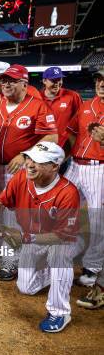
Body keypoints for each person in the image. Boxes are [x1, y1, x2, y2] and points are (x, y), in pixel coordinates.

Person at [0, 142, 82, 333]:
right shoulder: (21, 178)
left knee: (58, 257)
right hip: (34, 238)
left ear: (54, 166)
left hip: (62, 240)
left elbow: (62, 235)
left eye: (39, 161)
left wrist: (25, 238)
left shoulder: (68, 193)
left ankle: (60, 312)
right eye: (29, 158)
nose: (30, 164)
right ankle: (53, 273)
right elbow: (0, 201)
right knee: (26, 287)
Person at [0, 64, 58, 281]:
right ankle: (0, 251)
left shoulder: (37, 106)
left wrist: (26, 155)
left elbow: (52, 138)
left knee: (12, 214)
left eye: (12, 80)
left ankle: (12, 259)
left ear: (24, 83)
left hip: (19, 169)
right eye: (4, 80)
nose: (6, 84)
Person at [65, 69, 103, 287]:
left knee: (98, 220)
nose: (101, 83)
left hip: (98, 169)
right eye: (99, 80)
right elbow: (71, 132)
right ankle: (72, 245)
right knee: (61, 209)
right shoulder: (86, 105)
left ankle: (92, 266)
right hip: (75, 166)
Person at [39, 67, 82, 150]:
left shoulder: (73, 96)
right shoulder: (36, 97)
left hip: (65, 147)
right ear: (44, 81)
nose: (57, 83)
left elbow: (81, 120)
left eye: (60, 80)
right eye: (53, 80)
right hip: (41, 147)